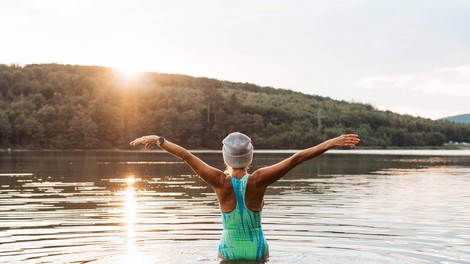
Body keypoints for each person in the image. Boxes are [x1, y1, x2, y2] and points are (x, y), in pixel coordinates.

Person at [130, 132, 360, 261]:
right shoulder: (259, 179)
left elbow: (187, 156)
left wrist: (160, 140)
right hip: (257, 250)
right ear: (250, 157)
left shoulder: (219, 181)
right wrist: (331, 142)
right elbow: (295, 159)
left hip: (228, 250)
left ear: (225, 157)